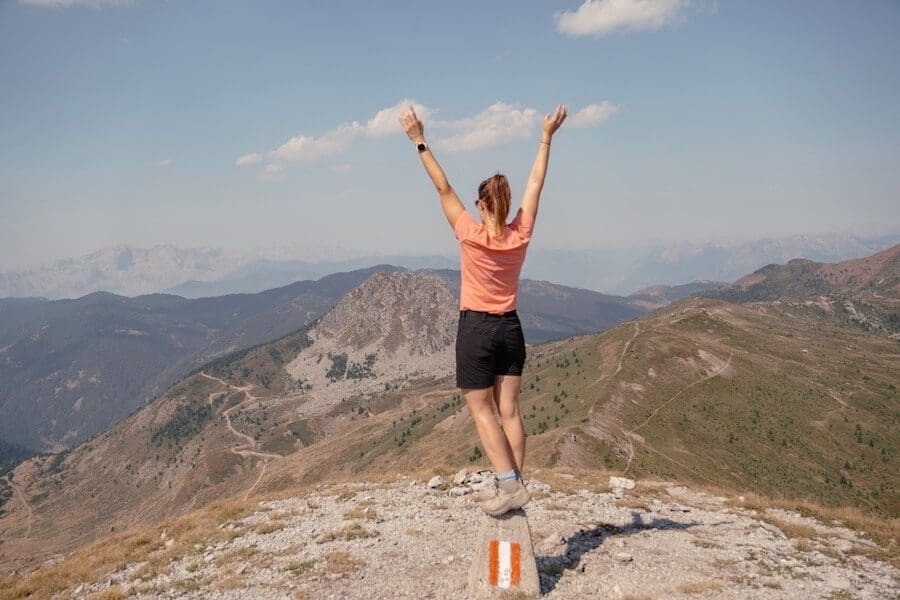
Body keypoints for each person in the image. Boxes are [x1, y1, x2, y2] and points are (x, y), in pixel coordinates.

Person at [399, 103, 567, 516]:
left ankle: (508, 486)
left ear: (481, 205)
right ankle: (514, 483)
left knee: (481, 411)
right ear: (507, 206)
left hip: (476, 329)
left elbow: (442, 188)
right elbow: (535, 182)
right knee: (509, 410)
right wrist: (546, 136)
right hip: (511, 329)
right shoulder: (520, 234)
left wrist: (418, 140)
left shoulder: (469, 234)